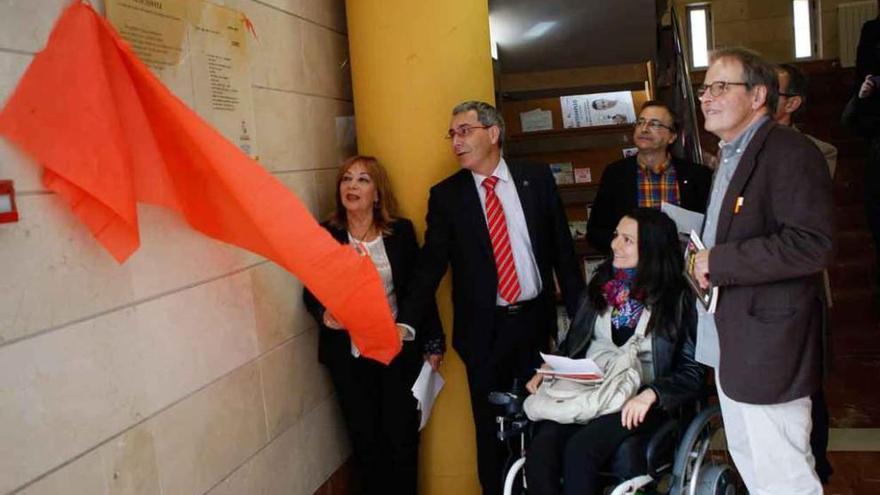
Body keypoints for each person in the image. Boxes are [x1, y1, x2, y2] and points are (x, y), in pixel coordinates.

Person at [396, 101, 584, 495]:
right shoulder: (448, 196)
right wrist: (407, 319)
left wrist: (583, 318)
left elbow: (563, 253)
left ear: (493, 133)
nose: (456, 142)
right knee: (489, 426)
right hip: (484, 330)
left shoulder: (535, 179)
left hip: (535, 322)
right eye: (452, 134)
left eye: (464, 131)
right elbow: (432, 265)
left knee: (545, 417)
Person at [693, 48, 833, 494]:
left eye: (721, 86)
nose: (707, 98)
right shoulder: (731, 155)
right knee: (753, 465)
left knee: (785, 474)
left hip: (770, 343)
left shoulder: (789, 152)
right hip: (732, 336)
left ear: (757, 96)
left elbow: (811, 245)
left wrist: (719, 261)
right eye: (704, 89)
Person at [524, 208, 704, 495]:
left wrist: (652, 394)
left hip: (637, 399)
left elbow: (692, 373)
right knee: (542, 449)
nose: (615, 245)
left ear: (652, 248)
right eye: (616, 236)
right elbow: (575, 343)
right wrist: (551, 368)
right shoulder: (602, 283)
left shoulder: (678, 299)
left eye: (628, 240)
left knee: (580, 450)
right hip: (591, 390)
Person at [303, 155, 444, 495]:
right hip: (349, 356)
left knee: (402, 442)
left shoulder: (401, 233)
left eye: (363, 180)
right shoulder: (327, 234)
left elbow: (419, 290)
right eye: (346, 179)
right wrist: (324, 314)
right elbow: (310, 288)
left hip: (397, 351)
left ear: (377, 193)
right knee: (366, 443)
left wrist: (433, 343)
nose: (352, 186)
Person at [774, 62, 836, 484]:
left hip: (801, 287)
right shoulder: (736, 149)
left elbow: (800, 223)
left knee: (807, 381)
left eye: (770, 90)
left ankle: (817, 462)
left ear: (792, 103)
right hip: (753, 293)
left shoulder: (817, 150)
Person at [587, 101, 711, 253]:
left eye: (655, 124)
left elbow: (712, 229)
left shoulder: (698, 176)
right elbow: (596, 232)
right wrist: (627, 246)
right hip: (634, 272)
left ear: (672, 136)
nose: (644, 129)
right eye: (640, 122)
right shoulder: (616, 174)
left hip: (681, 271)